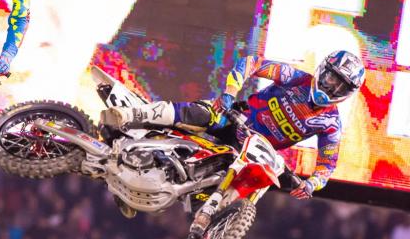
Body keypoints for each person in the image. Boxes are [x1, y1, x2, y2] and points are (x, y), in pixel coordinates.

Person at [102, 50, 365, 205]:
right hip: (234, 119)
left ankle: (211, 226)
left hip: (254, 150)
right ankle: (129, 114)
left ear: (347, 93)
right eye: (332, 78)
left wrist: (312, 184)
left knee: (257, 187)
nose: (332, 87)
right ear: (322, 70)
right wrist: (229, 92)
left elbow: (327, 164)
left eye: (340, 86)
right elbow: (252, 63)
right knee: (204, 112)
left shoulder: (331, 125)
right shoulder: (296, 79)